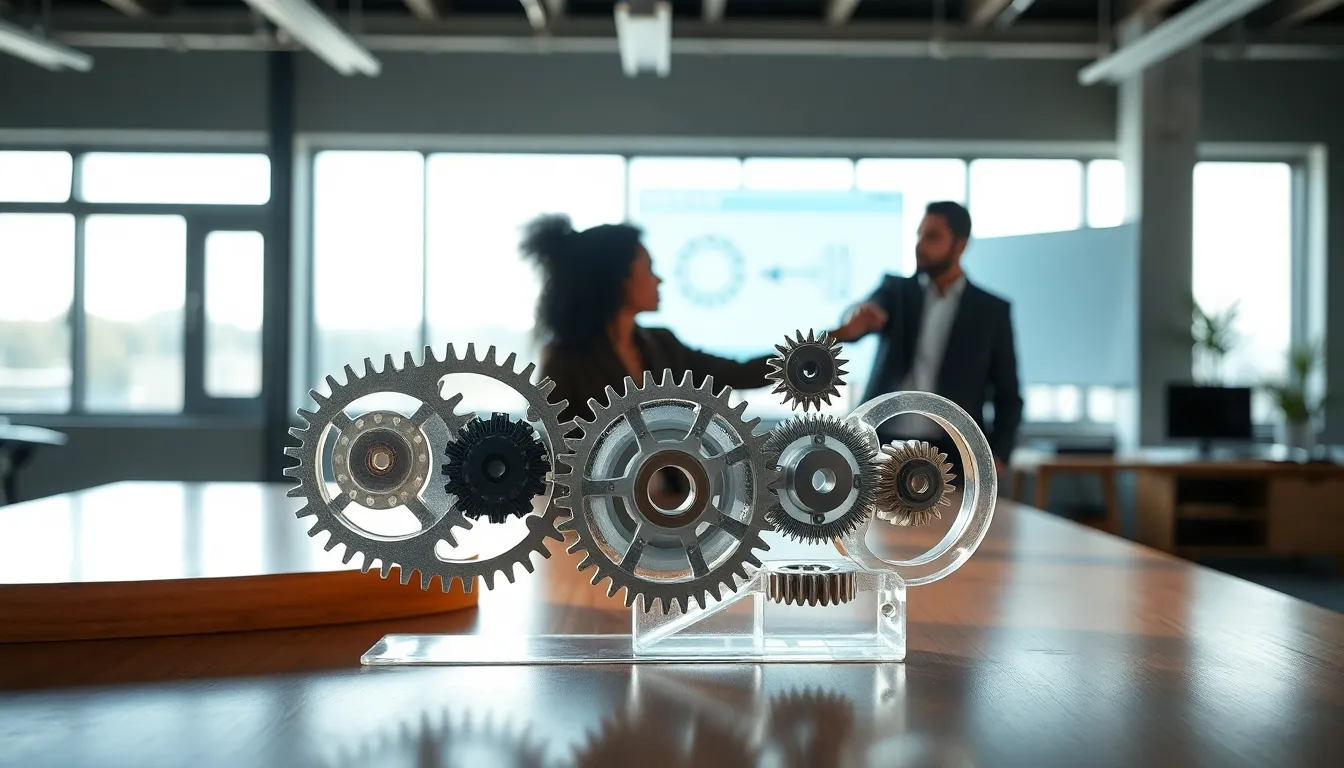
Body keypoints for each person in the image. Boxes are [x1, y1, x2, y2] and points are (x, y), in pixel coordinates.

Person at [521, 214, 774, 426]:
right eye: (649, 268)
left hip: (678, 486)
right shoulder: (564, 360)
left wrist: (801, 360)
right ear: (618, 278)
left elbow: (740, 373)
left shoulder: (663, 344)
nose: (658, 280)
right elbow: (553, 447)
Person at [833, 201, 1023, 477]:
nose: (920, 245)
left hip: (954, 455)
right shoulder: (895, 291)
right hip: (880, 445)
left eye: (932, 237)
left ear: (960, 244)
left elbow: (1008, 393)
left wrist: (1000, 455)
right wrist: (857, 316)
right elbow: (861, 313)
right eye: (920, 234)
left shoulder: (991, 310)